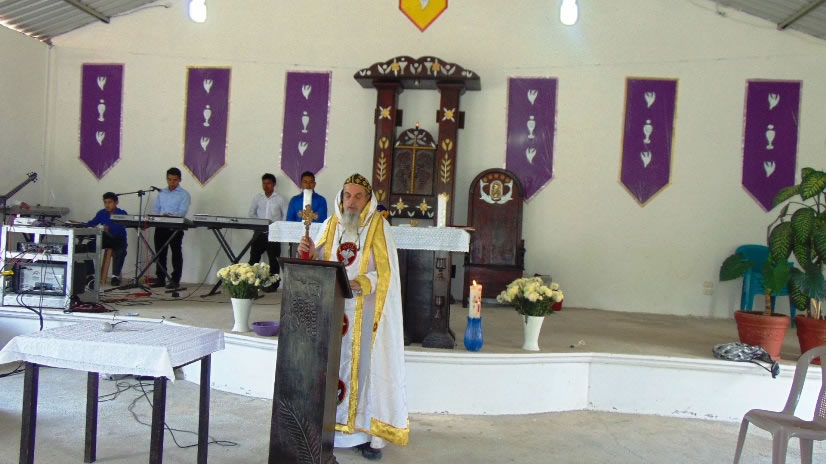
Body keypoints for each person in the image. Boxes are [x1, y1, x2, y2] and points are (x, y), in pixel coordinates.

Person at [298, 173, 408, 460]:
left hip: (364, 313)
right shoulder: (330, 224)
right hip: (332, 310)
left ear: (368, 200)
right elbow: (317, 261)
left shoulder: (379, 227)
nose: (351, 201)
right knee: (329, 370)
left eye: (358, 196)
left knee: (362, 372)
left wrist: (362, 283)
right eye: (348, 195)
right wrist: (307, 253)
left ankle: (362, 435)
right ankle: (326, 431)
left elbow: (387, 274)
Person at [152, 167, 191, 289]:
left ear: (179, 180)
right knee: (160, 253)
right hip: (161, 226)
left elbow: (182, 211)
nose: (172, 182)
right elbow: (156, 209)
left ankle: (175, 280)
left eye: (175, 180)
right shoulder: (162, 193)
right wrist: (156, 217)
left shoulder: (184, 194)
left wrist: (171, 216)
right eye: (169, 179)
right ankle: (160, 278)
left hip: (175, 227)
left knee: (176, 252)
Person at [248, 173, 287, 292]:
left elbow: (285, 215)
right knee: (254, 258)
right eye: (264, 183)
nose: (266, 186)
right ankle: (250, 282)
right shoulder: (257, 197)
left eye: (268, 183)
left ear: (274, 184)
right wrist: (259, 223)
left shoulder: (280, 199)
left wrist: (277, 227)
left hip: (274, 233)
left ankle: (273, 285)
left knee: (273, 260)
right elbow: (251, 213)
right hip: (259, 232)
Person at [86, 192, 128, 286]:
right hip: (105, 238)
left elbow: (121, 228)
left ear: (116, 203)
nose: (107, 205)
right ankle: (90, 275)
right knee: (88, 247)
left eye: (110, 202)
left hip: (118, 239)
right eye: (105, 202)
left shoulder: (122, 213)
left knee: (121, 250)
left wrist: (108, 228)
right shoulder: (101, 213)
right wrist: (79, 224)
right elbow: (91, 223)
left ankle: (115, 276)